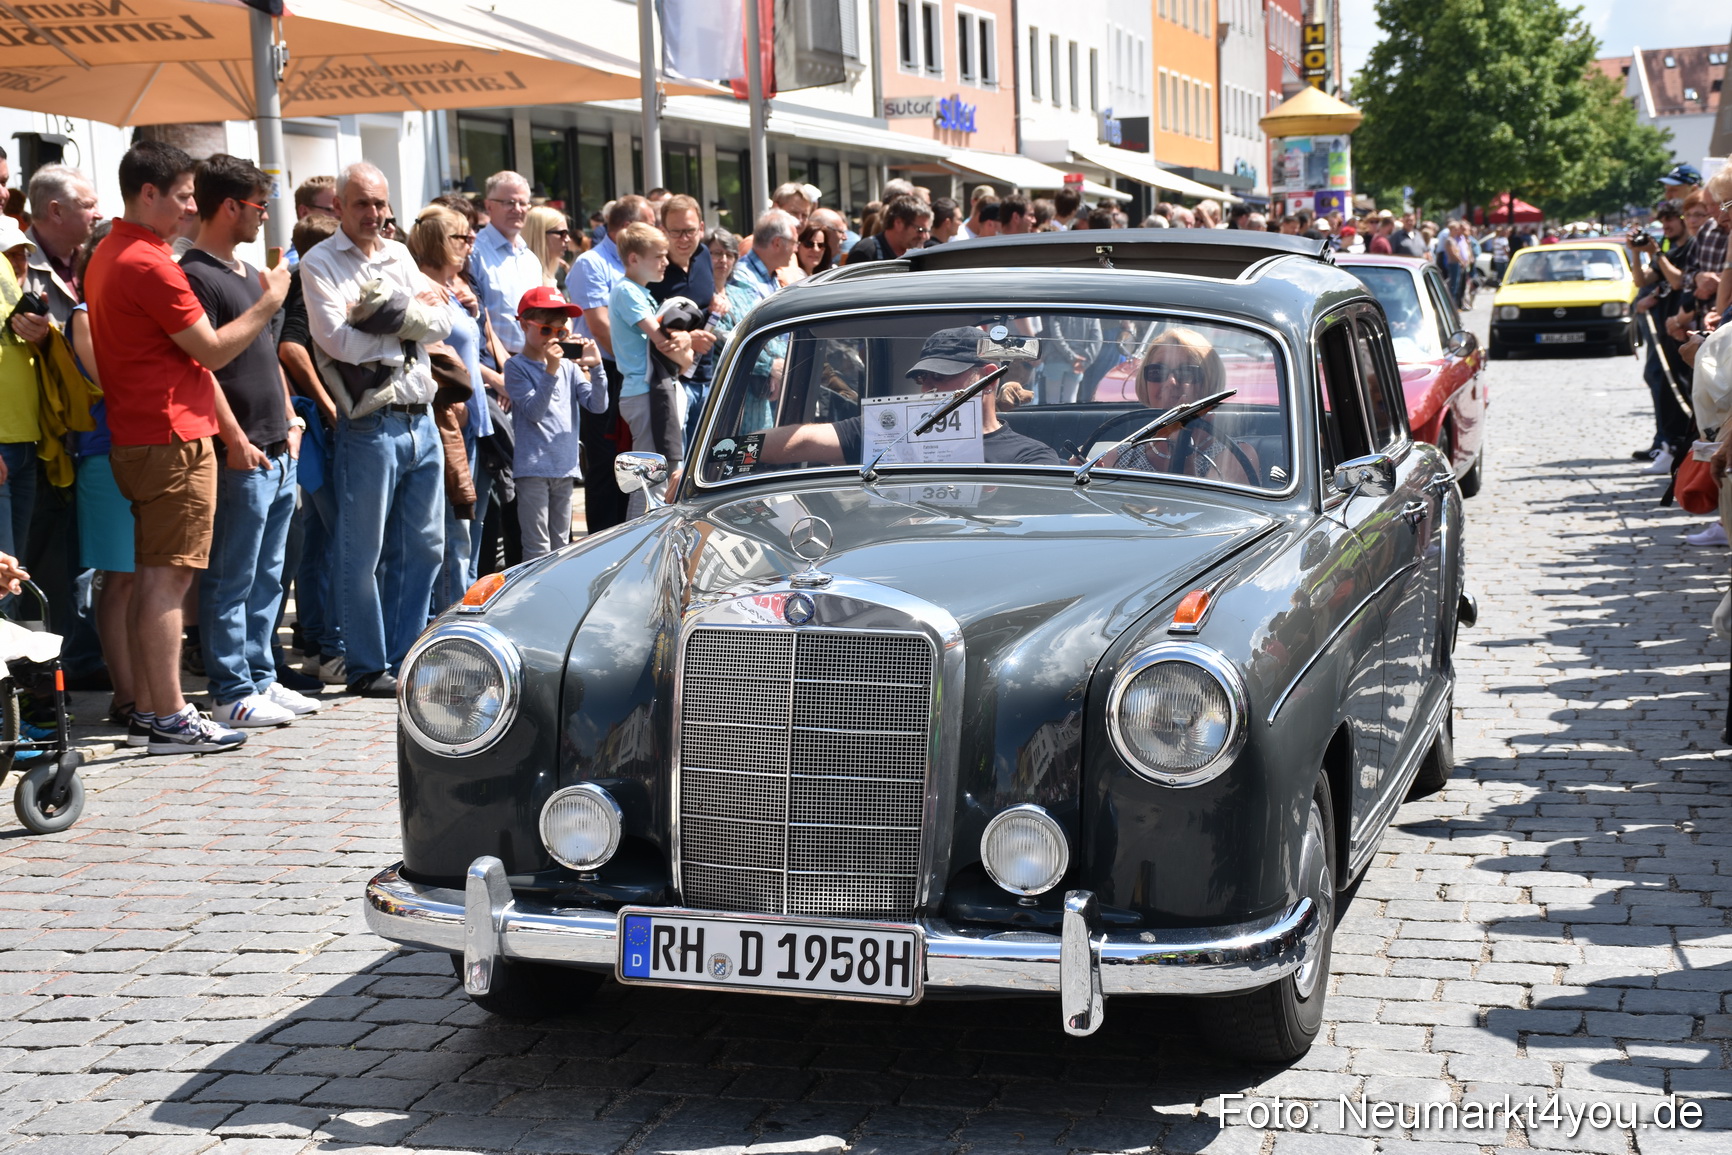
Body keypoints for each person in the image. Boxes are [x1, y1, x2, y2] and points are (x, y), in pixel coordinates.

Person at [84, 140, 290, 753]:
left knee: (156, 575)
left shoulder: (112, 251)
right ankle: (172, 715)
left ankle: (154, 708)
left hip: (147, 434)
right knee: (169, 580)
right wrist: (270, 300)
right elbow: (213, 351)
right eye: (181, 196)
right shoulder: (148, 261)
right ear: (148, 193)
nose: (190, 208)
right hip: (170, 436)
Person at [300, 161, 451, 698]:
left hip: (420, 417)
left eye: (380, 204)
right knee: (361, 552)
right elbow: (337, 342)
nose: (374, 214)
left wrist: (388, 319)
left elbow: (444, 321)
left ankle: (403, 655)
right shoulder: (319, 262)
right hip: (369, 423)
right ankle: (366, 666)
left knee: (427, 546)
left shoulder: (398, 253)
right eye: (362, 203)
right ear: (338, 206)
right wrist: (409, 325)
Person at [181, 153, 317, 728]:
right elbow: (202, 366)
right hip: (242, 451)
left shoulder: (244, 272)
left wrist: (290, 416)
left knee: (268, 576)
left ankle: (261, 676)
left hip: (277, 444)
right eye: (259, 206)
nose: (265, 217)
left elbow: (265, 356)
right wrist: (233, 437)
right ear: (230, 206)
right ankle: (231, 689)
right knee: (232, 577)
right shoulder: (196, 273)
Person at [757, 327, 1059, 467]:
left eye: (941, 376)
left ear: (988, 378)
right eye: (922, 378)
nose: (929, 388)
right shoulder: (890, 431)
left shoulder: (1030, 458)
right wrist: (725, 450)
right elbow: (801, 442)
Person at [409, 205, 495, 605]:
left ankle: (464, 611)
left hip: (473, 424)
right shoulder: (424, 288)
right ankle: (448, 623)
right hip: (449, 426)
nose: (470, 243)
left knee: (469, 533)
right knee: (453, 532)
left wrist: (473, 312)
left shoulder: (455, 288)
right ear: (438, 243)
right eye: (461, 237)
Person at [566, 194, 656, 533]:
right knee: (606, 464)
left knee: (635, 464)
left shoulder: (633, 262)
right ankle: (603, 539)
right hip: (608, 373)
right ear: (630, 227)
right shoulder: (591, 263)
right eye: (651, 224)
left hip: (634, 373)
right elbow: (602, 329)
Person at [504, 287, 607, 557]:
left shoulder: (570, 367)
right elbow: (534, 412)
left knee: (560, 547)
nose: (554, 338)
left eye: (560, 332)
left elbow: (598, 405)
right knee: (537, 548)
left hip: (565, 468)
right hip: (533, 470)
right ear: (525, 325)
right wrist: (550, 370)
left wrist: (596, 368)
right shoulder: (516, 367)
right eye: (546, 330)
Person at [1093, 328, 1258, 486]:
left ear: (1209, 382)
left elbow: (1202, 511)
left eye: (1186, 373)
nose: (1170, 382)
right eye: (1157, 372)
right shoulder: (1120, 456)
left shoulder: (1234, 455)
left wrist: (1182, 448)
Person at [609, 222, 697, 514]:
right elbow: (664, 342)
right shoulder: (627, 292)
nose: (666, 262)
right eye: (658, 256)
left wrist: (684, 341)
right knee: (648, 482)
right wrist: (687, 339)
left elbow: (679, 353)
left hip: (654, 391)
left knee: (663, 477)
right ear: (634, 258)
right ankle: (639, 551)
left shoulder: (639, 292)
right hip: (644, 393)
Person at [470, 171, 541, 370]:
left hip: (532, 363)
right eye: (509, 203)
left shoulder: (530, 259)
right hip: (493, 366)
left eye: (523, 203)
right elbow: (476, 319)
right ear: (488, 205)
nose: (517, 209)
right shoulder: (474, 253)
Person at [22, 165, 99, 326]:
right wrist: (43, 339)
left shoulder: (95, 260)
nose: (99, 214)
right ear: (56, 211)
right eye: (88, 206)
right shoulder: (15, 265)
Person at [845, 196, 931, 264]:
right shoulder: (866, 252)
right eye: (920, 230)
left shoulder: (915, 254)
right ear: (898, 223)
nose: (925, 236)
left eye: (927, 231)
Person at [282, 176, 336, 268]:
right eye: (331, 210)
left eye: (342, 208)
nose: (340, 215)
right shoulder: (295, 266)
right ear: (304, 212)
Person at [521, 205, 571, 289]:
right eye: (562, 233)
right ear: (540, 235)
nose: (567, 239)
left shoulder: (554, 273)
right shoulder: (525, 276)